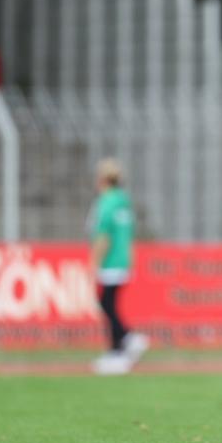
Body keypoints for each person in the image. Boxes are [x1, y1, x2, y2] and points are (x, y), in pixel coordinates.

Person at [89, 158, 148, 375]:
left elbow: (103, 236)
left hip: (111, 261)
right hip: (123, 259)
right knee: (109, 304)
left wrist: (94, 262)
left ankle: (125, 341)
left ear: (102, 180)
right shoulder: (124, 202)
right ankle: (118, 349)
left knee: (106, 304)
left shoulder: (107, 203)